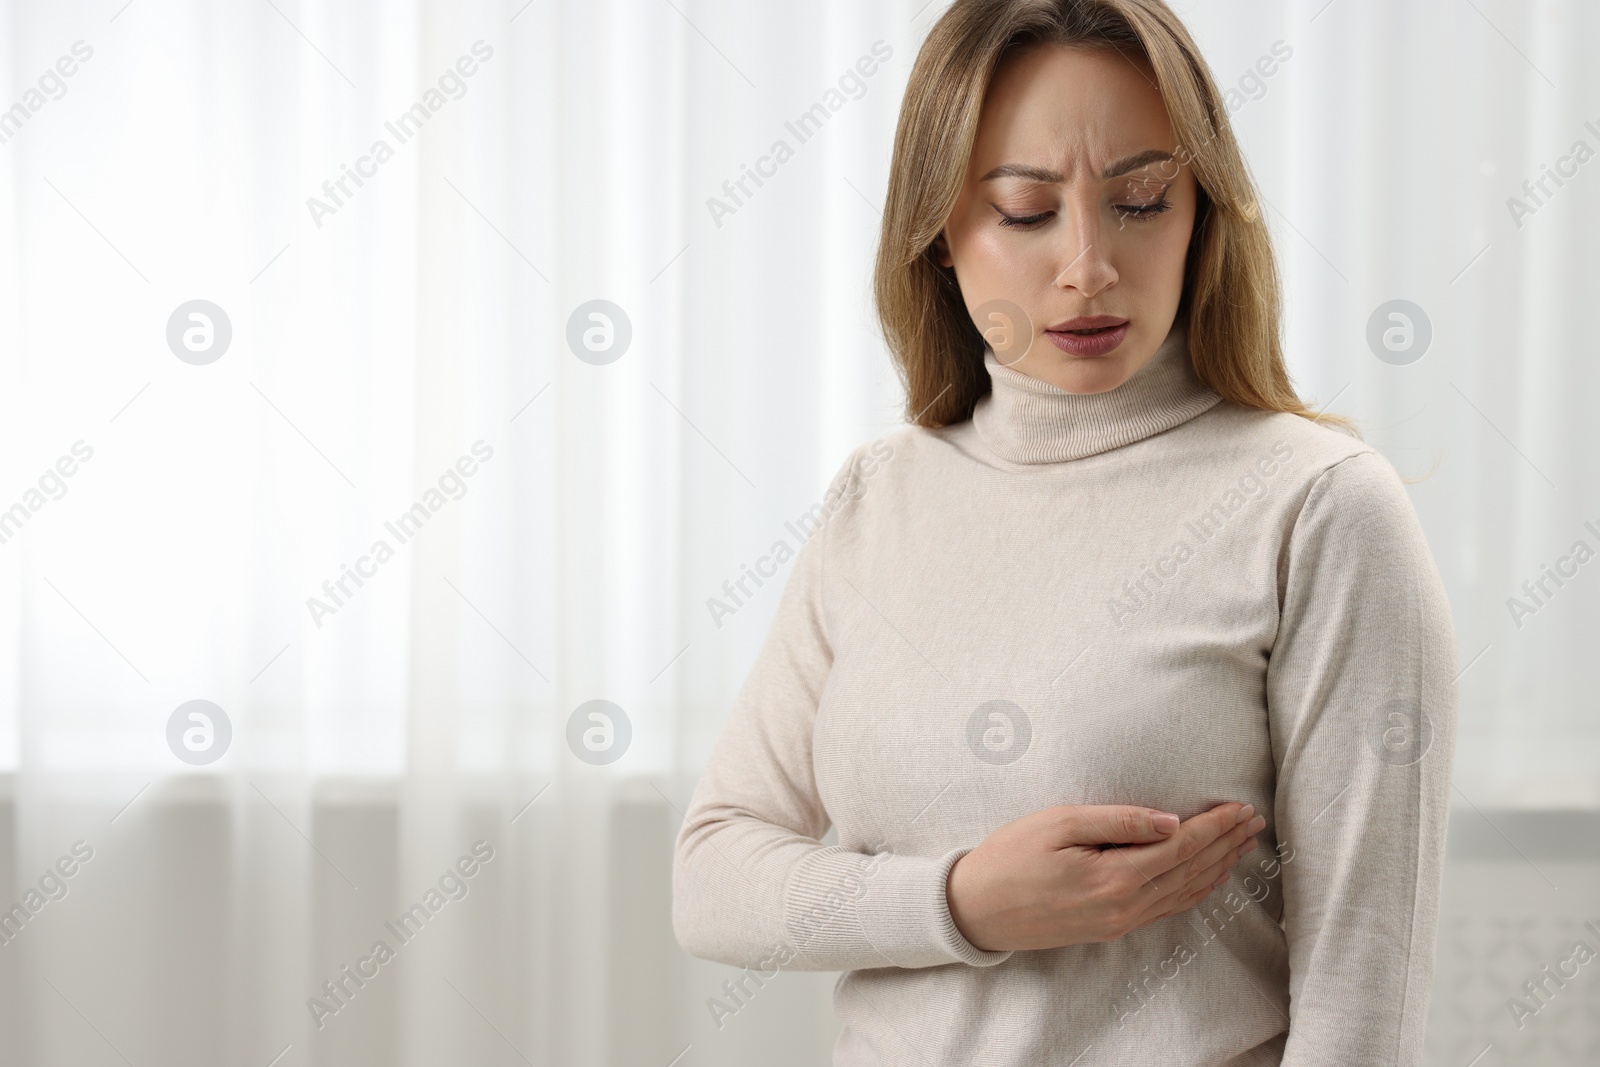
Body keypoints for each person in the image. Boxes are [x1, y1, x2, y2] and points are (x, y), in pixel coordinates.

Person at [673, 1, 1457, 1063]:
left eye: (1141, 200)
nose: (1088, 264)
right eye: (1024, 210)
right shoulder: (878, 495)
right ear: (939, 234)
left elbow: (1365, 981)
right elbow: (713, 878)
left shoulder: (1318, 504)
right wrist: (966, 900)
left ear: (1203, 213)